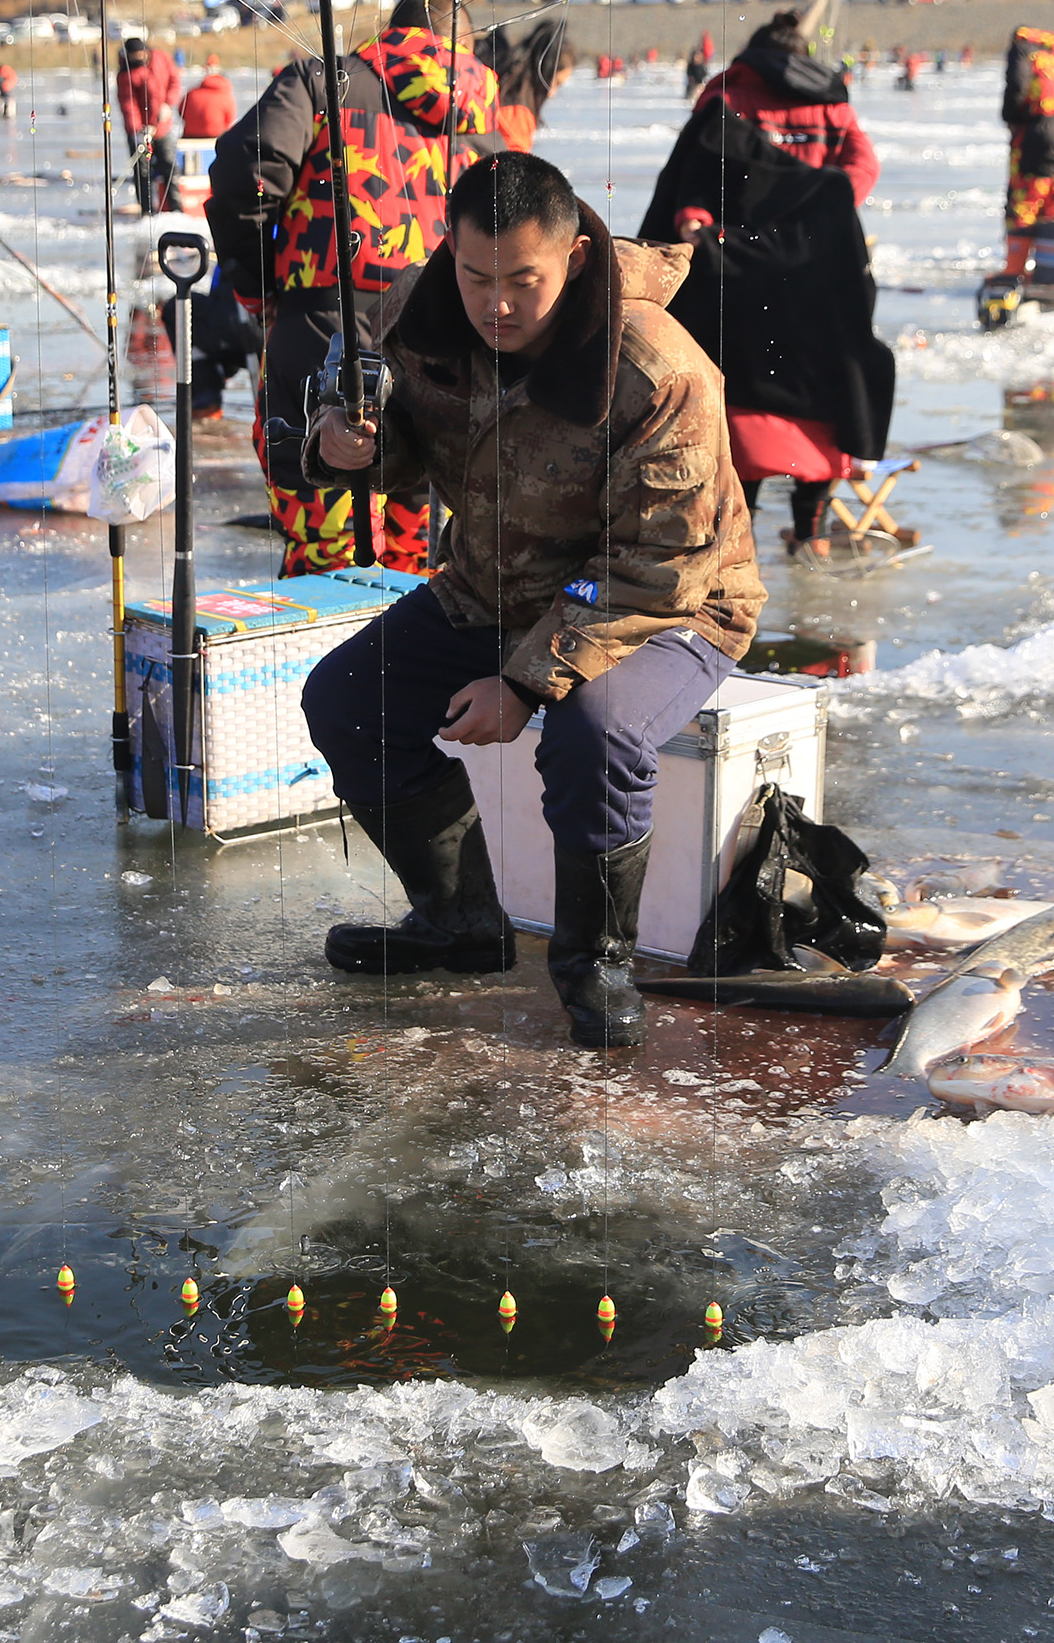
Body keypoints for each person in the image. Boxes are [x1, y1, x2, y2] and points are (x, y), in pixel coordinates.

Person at [298, 151, 765, 1048]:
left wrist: (525, 683)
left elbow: (656, 565)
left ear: (576, 259)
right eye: (475, 276)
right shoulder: (419, 313)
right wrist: (344, 445)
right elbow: (384, 438)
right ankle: (461, 923)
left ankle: (598, 963)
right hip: (492, 587)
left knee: (595, 732)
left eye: (523, 280)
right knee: (350, 700)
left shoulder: (658, 370)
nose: (495, 304)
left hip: (671, 605)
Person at [205, 0, 498, 576]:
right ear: (465, 46)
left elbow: (245, 173)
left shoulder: (322, 84)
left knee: (325, 550)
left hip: (318, 335)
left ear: (395, 30)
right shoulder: (482, 127)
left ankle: (326, 659)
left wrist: (257, 288)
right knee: (425, 557)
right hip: (441, 356)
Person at [645, 9, 892, 561]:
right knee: (818, 391)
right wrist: (820, 214)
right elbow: (863, 164)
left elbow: (695, 168)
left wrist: (699, 221)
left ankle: (739, 533)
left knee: (743, 396)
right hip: (816, 271)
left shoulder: (726, 91)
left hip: (739, 263)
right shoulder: (831, 98)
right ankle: (811, 532)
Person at [995, 25, 1054, 275]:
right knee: (1053, 204)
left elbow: (1017, 88)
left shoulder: (1024, 53)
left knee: (1023, 204)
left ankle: (1014, 271)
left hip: (1034, 137)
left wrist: (1010, 116)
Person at [480, 19, 576, 154]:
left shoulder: (506, 79)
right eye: (556, 83)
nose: (551, 93)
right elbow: (515, 164)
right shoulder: (517, 110)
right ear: (545, 72)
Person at [117, 36, 182, 214]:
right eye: (134, 55)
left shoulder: (161, 59)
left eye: (141, 53)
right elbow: (129, 105)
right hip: (141, 131)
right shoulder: (126, 74)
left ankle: (176, 210)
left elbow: (174, 82)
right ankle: (147, 211)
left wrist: (168, 104)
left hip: (163, 126)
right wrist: (137, 130)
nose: (139, 57)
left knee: (169, 166)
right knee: (143, 172)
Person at [179, 59, 237, 143]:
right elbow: (229, 121)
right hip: (216, 136)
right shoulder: (227, 97)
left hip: (190, 135)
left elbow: (181, 112)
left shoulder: (191, 93)